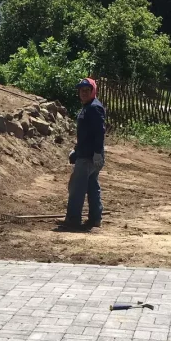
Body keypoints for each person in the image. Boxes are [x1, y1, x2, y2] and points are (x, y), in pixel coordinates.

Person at [57, 77, 106, 231]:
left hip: (89, 157)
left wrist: (97, 153)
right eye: (81, 90)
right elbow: (86, 134)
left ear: (93, 91)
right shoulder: (88, 106)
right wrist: (76, 150)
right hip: (86, 154)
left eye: (86, 90)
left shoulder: (94, 108)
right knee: (92, 186)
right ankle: (95, 219)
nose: (83, 93)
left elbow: (99, 132)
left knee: (76, 187)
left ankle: (73, 219)